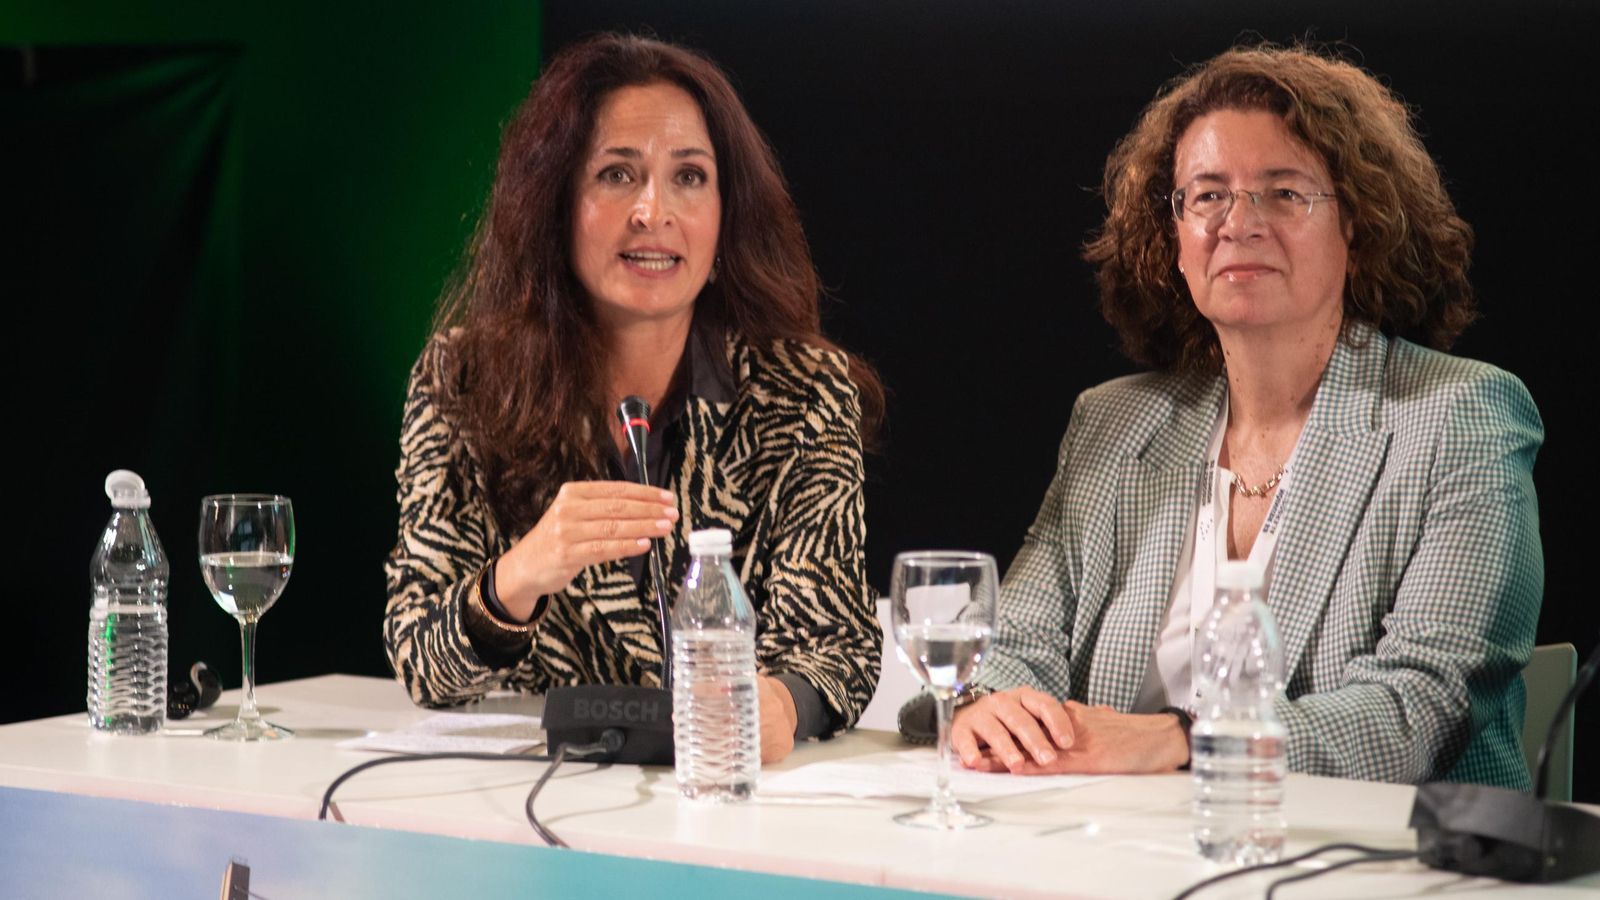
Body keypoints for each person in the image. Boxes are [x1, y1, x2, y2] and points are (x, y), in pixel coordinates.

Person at [906, 45, 1542, 788]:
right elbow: (1017, 639)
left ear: (1359, 228)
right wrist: (988, 701)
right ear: (1173, 241)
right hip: (1119, 849)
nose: (1238, 223)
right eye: (1207, 196)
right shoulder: (1113, 424)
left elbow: (1417, 711)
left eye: (1283, 193)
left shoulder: (1463, 418)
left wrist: (1182, 739)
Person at [384, 34, 885, 764]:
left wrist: (777, 705)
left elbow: (835, 646)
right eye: (618, 174)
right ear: (554, 205)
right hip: (527, 801)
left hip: (724, 795)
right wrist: (523, 572)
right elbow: (421, 660)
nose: (655, 212)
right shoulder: (463, 380)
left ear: (726, 214)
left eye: (689, 177)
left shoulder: (801, 393)